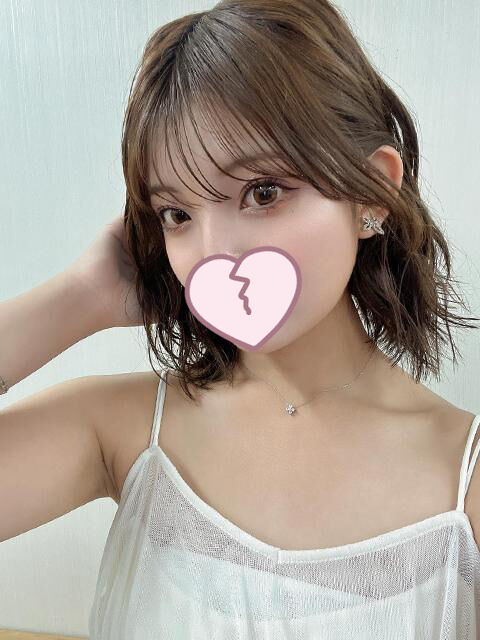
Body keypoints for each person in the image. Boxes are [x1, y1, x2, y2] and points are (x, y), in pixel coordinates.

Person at [2, 0, 480, 637]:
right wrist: (81, 298)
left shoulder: (464, 482)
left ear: (373, 191)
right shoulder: (125, 431)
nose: (214, 254)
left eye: (262, 193)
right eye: (177, 215)